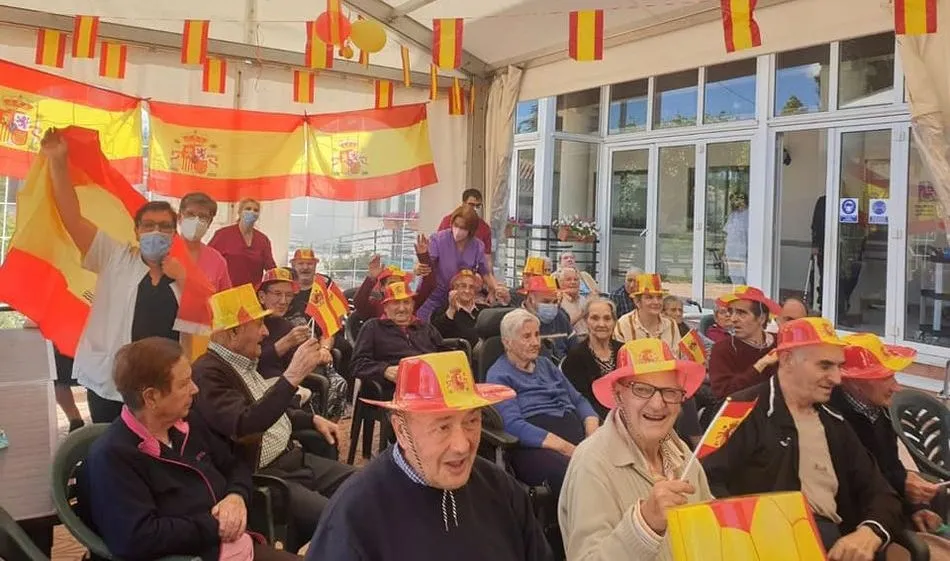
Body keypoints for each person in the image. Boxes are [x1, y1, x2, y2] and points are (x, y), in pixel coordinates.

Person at [305, 350, 552, 561]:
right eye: (442, 427)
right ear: (401, 430)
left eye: (471, 421)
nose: (462, 446)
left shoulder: (501, 487)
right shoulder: (356, 513)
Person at [702, 318, 905, 560]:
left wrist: (870, 532)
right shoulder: (738, 411)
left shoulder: (834, 421)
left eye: (839, 367)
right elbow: (705, 485)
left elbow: (880, 491)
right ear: (787, 359)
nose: (837, 378)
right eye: (825, 366)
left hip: (837, 543)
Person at [79, 337, 298, 561]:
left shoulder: (189, 423)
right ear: (151, 397)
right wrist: (216, 524)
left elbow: (235, 464)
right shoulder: (114, 456)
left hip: (234, 545)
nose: (195, 389)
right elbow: (136, 538)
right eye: (184, 384)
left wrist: (236, 496)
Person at [191, 284, 356, 552]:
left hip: (296, 459)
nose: (266, 333)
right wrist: (292, 377)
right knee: (341, 519)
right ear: (233, 332)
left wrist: (309, 420)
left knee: (364, 485)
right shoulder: (208, 373)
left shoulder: (243, 361)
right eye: (259, 326)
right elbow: (245, 424)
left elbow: (269, 407)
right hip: (267, 478)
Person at [41, 129, 187, 423]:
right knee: (110, 449)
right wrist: (58, 162)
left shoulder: (184, 274)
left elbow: (207, 321)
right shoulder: (114, 256)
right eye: (148, 226)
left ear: (174, 233)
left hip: (164, 386)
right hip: (112, 383)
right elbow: (71, 216)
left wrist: (185, 280)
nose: (156, 233)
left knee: (156, 451)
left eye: (165, 227)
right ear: (136, 232)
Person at [559, 339, 711, 561]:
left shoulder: (684, 455)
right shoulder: (591, 464)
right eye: (642, 390)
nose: (658, 404)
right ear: (618, 395)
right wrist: (645, 525)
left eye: (670, 392)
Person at [832, 335, 948, 538]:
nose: (897, 387)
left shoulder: (879, 410)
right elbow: (855, 484)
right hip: (858, 522)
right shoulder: (834, 419)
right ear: (855, 382)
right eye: (885, 378)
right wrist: (901, 485)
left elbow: (891, 464)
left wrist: (915, 507)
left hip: (886, 501)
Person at [486, 309, 599, 499]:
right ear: (507, 342)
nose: (535, 342)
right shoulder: (498, 374)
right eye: (526, 336)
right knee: (580, 477)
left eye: (537, 334)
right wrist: (568, 448)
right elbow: (512, 425)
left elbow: (578, 400)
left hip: (578, 440)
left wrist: (593, 434)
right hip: (535, 446)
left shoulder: (546, 364)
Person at [256, 268, 347, 420]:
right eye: (278, 294)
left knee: (335, 385)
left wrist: (313, 353)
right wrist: (284, 344)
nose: (283, 301)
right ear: (262, 296)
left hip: (288, 382)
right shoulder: (251, 323)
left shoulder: (285, 325)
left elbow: (293, 363)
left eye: (289, 295)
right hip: (258, 388)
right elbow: (251, 362)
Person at [350, 281, 452, 400]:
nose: (402, 308)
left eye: (406, 302)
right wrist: (384, 370)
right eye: (396, 303)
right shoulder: (373, 327)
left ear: (413, 305)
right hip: (395, 390)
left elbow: (445, 354)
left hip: (432, 386)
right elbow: (357, 365)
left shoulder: (425, 328)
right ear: (386, 307)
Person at [418, 205, 508, 321]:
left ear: (471, 230)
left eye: (463, 228)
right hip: (433, 297)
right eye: (456, 225)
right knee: (425, 328)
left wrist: (496, 288)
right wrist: (421, 261)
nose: (458, 231)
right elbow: (428, 265)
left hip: (461, 298)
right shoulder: (438, 239)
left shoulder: (477, 246)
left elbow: (485, 273)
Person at [708, 286, 781, 399]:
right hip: (738, 413)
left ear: (761, 318)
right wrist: (760, 365)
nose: (733, 319)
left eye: (741, 313)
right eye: (731, 312)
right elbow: (723, 393)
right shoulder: (722, 349)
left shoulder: (780, 342)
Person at [561, 298, 622, 420]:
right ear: (585, 321)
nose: (601, 324)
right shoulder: (575, 357)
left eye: (607, 318)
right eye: (595, 318)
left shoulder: (624, 350)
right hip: (596, 418)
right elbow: (580, 400)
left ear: (614, 321)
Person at [351, 235, 435, 321]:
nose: (401, 308)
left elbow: (429, 285)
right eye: (392, 283)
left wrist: (423, 256)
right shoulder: (375, 306)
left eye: (400, 283)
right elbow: (359, 302)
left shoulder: (410, 302)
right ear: (382, 288)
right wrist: (371, 278)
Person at [208, 198, 277, 288]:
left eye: (256, 210)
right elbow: (209, 260)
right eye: (248, 209)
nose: (251, 212)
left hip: (252, 293)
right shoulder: (223, 234)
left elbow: (271, 268)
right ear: (240, 212)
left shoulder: (263, 240)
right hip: (225, 291)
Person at [178, 191, 231, 292]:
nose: (196, 220)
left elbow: (225, 299)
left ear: (209, 223)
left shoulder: (217, 261)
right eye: (190, 214)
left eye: (202, 216)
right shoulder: (163, 253)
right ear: (179, 217)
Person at [614, 274, 681, 350]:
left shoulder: (671, 324)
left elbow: (677, 358)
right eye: (649, 297)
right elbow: (619, 358)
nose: (656, 302)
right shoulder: (624, 324)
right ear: (637, 302)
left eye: (659, 297)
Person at [430, 269, 490, 347]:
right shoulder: (442, 311)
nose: (467, 291)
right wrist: (451, 310)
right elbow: (436, 337)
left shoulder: (484, 310)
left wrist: (505, 302)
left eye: (471, 287)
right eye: (463, 286)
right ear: (454, 289)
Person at [521, 275, 573, 363]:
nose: (552, 306)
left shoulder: (561, 316)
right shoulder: (518, 321)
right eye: (546, 301)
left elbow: (575, 349)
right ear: (530, 299)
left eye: (555, 302)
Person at [437, 188, 493, 260]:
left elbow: (487, 256)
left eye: (478, 206)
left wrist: (489, 271)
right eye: (471, 205)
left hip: (471, 268)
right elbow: (438, 247)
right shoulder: (448, 221)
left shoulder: (484, 227)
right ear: (463, 204)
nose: (475, 209)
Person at [723, 191, 749, 285]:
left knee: (748, 278)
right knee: (736, 280)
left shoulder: (750, 215)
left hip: (744, 253)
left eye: (738, 200)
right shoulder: (733, 215)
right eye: (733, 200)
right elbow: (727, 234)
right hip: (731, 252)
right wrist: (724, 252)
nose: (735, 203)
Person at [557, 267, 589, 336]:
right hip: (571, 341)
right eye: (568, 280)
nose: (573, 282)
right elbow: (561, 327)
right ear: (560, 283)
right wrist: (581, 313)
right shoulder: (558, 301)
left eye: (576, 279)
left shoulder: (583, 299)